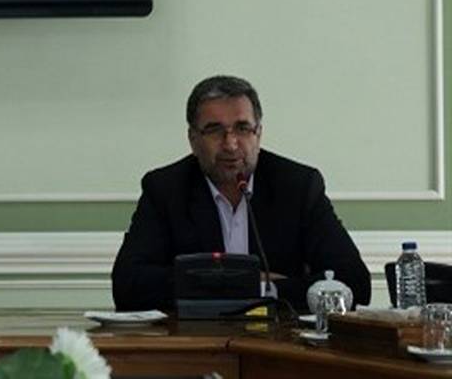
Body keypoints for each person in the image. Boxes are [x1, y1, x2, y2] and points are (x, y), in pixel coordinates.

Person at [111, 74, 370, 313]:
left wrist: (262, 289)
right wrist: (247, 282)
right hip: (196, 340)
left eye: (243, 128)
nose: (230, 144)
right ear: (193, 139)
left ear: (259, 134)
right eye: (214, 130)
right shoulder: (166, 189)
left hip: (279, 341)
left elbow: (354, 282)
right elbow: (127, 286)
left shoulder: (298, 186)